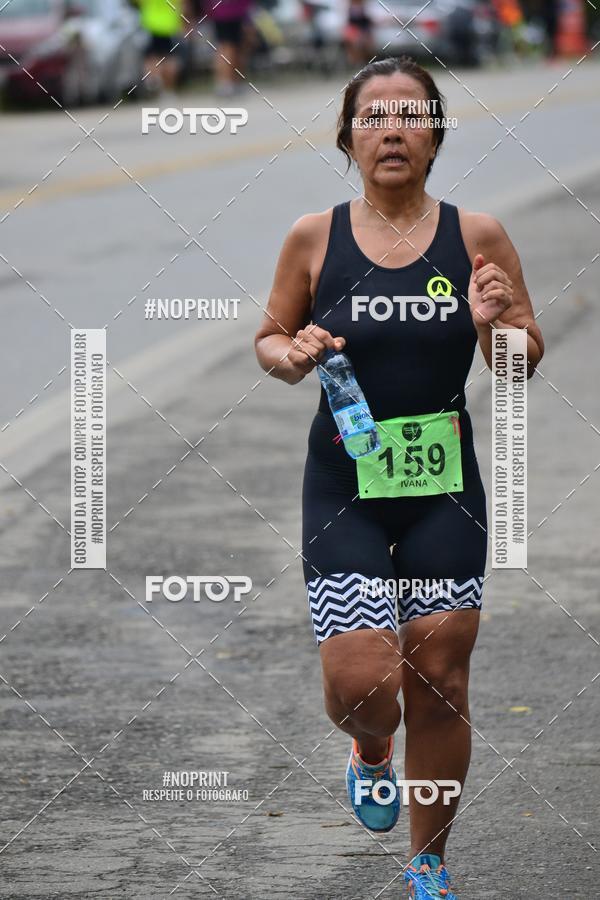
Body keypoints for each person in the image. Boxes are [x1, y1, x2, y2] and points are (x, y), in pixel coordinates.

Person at [255, 56, 544, 898]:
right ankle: (371, 747)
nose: (392, 129)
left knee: (442, 678)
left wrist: (496, 330)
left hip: (442, 490)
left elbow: (524, 360)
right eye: (374, 116)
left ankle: (429, 864)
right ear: (347, 136)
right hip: (343, 487)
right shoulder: (316, 236)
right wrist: (295, 351)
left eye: (410, 115)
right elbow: (270, 343)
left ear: (434, 136)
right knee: (365, 687)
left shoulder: (477, 235)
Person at [136, 0, 187, 97]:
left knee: (151, 57)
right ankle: (168, 89)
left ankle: (153, 81)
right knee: (169, 58)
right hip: (169, 25)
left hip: (150, 24)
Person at [203, 0, 255, 96]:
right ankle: (227, 83)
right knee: (230, 48)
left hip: (220, 12)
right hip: (233, 12)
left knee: (226, 48)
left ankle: (228, 82)